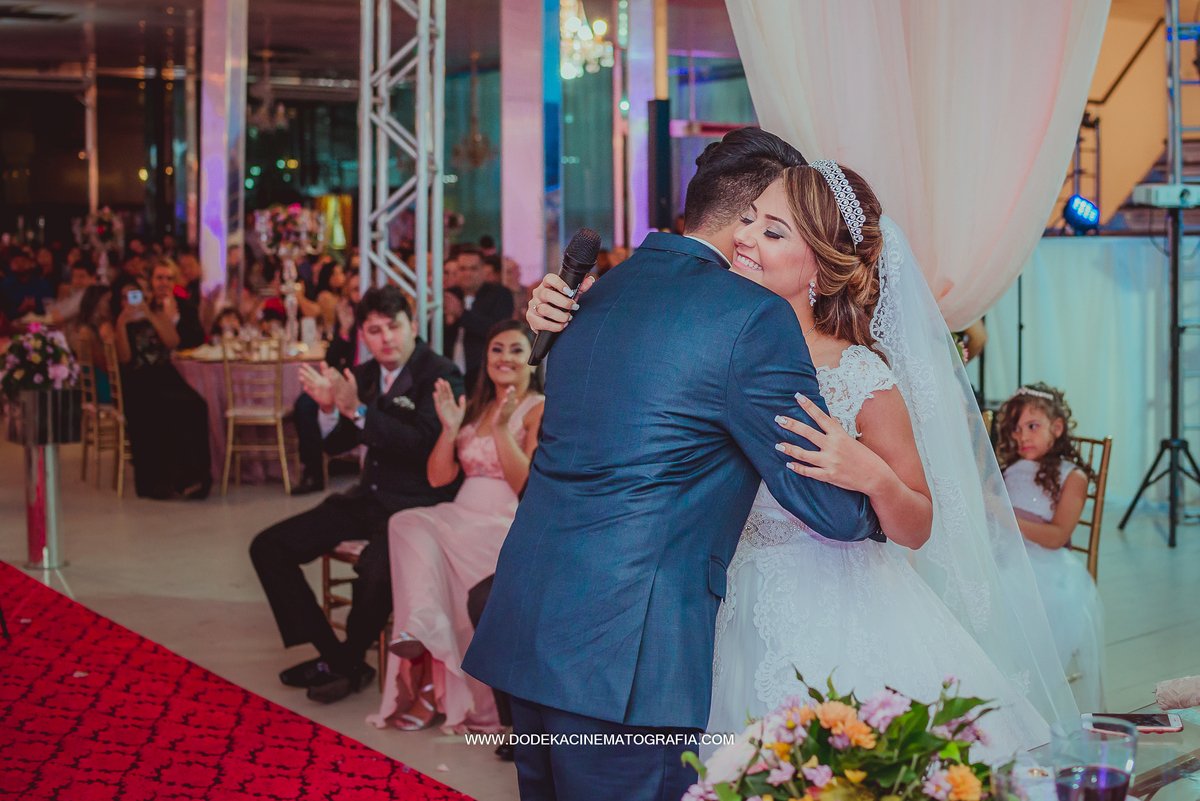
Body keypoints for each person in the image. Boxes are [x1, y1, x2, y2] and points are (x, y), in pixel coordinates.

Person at [462, 128, 882, 799]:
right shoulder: (750, 318)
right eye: (771, 219)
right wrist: (882, 498)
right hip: (627, 658)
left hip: (529, 625)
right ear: (746, 217)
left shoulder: (595, 293)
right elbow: (824, 502)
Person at [699, 163, 1055, 762]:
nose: (746, 237)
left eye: (774, 231)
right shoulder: (714, 343)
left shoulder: (858, 374)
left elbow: (917, 525)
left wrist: (870, 474)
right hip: (731, 603)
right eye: (749, 219)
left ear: (820, 267)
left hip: (839, 611)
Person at [249, 286, 465, 704]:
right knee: (269, 547)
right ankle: (340, 658)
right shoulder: (362, 375)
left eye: (394, 326)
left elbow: (423, 444)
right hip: (367, 497)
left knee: (377, 569)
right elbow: (335, 446)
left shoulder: (438, 373)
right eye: (375, 330)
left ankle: (342, 663)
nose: (386, 338)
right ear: (362, 335)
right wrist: (330, 410)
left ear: (413, 326)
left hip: (417, 505)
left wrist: (358, 411)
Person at [369, 321, 544, 734]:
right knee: (406, 521)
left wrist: (503, 431)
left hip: (503, 523)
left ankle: (447, 685)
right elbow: (437, 478)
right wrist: (450, 431)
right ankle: (422, 624)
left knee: (429, 544)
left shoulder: (539, 408)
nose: (504, 357)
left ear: (533, 359)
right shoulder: (478, 406)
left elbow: (529, 487)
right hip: (459, 513)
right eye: (496, 348)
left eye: (516, 350)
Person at [998, 383, 1106, 712]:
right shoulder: (1007, 470)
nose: (1022, 437)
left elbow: (1058, 535)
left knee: (1012, 596)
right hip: (1006, 555)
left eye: (1033, 427)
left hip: (1050, 567)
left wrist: (1004, 518)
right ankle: (995, 687)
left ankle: (1021, 695)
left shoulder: (1072, 477)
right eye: (1016, 429)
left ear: (1056, 428)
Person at [111, 273, 212, 499]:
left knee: (195, 405)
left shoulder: (156, 315)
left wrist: (151, 317)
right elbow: (125, 358)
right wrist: (123, 322)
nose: (133, 301)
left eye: (136, 295)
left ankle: (196, 476)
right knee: (163, 410)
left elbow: (173, 342)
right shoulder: (117, 323)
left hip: (165, 374)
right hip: (137, 379)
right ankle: (166, 479)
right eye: (126, 297)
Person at [291, 269, 365, 495]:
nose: (359, 295)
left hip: (369, 384)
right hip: (345, 382)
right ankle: (313, 472)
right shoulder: (348, 320)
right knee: (304, 405)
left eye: (363, 289)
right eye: (354, 290)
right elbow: (332, 360)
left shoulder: (381, 319)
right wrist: (343, 330)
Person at [444, 247, 515, 389]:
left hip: (484, 375)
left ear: (483, 270)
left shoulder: (499, 294)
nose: (467, 274)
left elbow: (498, 330)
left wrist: (461, 314)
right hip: (450, 372)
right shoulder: (450, 295)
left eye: (473, 268)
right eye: (463, 269)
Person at [149, 258, 205, 350]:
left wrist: (175, 320)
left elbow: (198, 338)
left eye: (169, 278)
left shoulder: (186, 305)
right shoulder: (146, 307)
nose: (165, 282)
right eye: (159, 278)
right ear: (151, 280)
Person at [2, 253, 53, 321]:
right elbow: (4, 313)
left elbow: (51, 309)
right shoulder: (5, 285)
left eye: (23, 261)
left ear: (31, 263)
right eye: (16, 262)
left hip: (41, 324)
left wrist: (36, 307)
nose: (20, 265)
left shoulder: (42, 284)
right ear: (10, 265)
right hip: (13, 326)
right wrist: (20, 310)